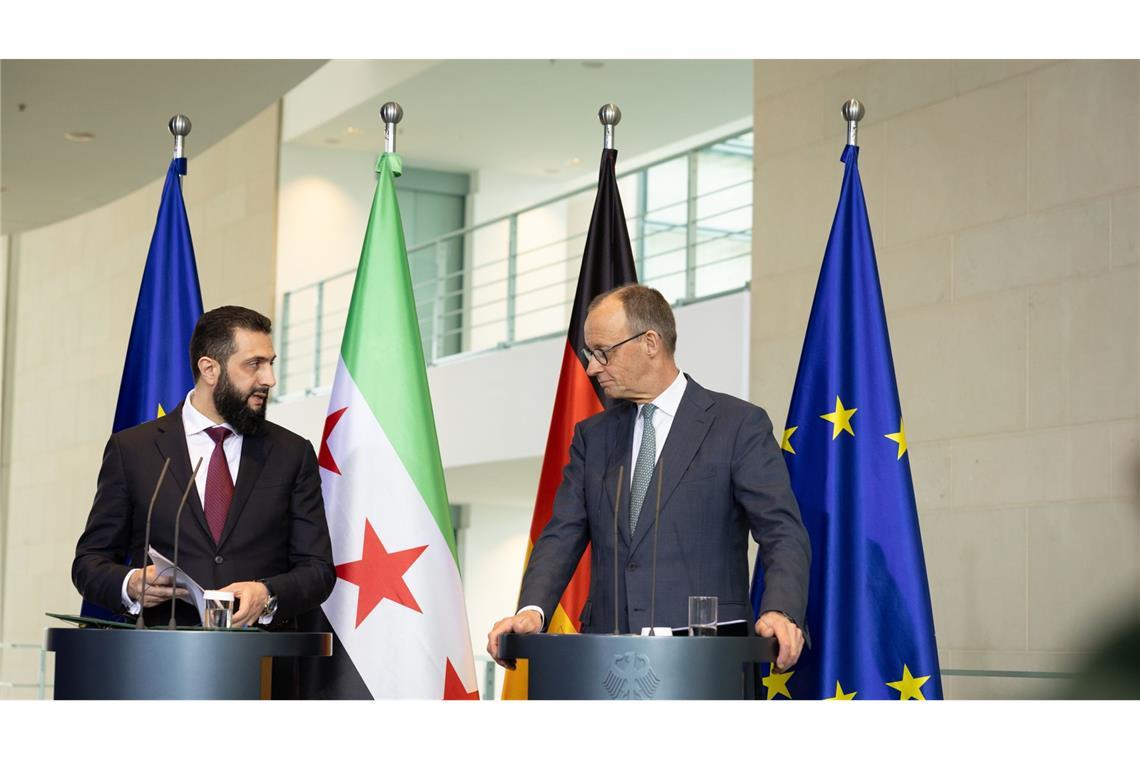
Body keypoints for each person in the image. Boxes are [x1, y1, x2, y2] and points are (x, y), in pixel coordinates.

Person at [487, 285, 811, 673]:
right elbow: (561, 534)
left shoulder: (737, 425)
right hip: (606, 663)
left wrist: (780, 610)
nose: (592, 367)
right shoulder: (593, 437)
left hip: (704, 661)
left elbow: (782, 531)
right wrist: (531, 610)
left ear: (651, 343)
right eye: (591, 354)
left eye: (603, 352)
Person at [72, 306, 335, 695]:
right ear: (210, 369)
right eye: (254, 365)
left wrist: (267, 594)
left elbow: (318, 570)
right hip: (157, 671)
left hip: (263, 675)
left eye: (271, 363)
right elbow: (89, 563)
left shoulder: (292, 453)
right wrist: (130, 583)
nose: (270, 379)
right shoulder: (134, 450)